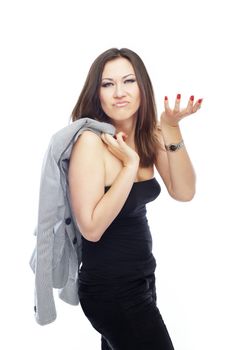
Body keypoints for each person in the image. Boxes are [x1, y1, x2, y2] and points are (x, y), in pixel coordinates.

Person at [68, 48, 202, 350]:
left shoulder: (147, 136)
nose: (119, 92)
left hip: (142, 281)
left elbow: (184, 191)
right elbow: (90, 228)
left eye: (128, 81)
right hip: (110, 290)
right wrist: (129, 167)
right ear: (96, 93)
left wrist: (171, 127)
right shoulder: (91, 142)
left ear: (142, 86)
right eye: (107, 84)